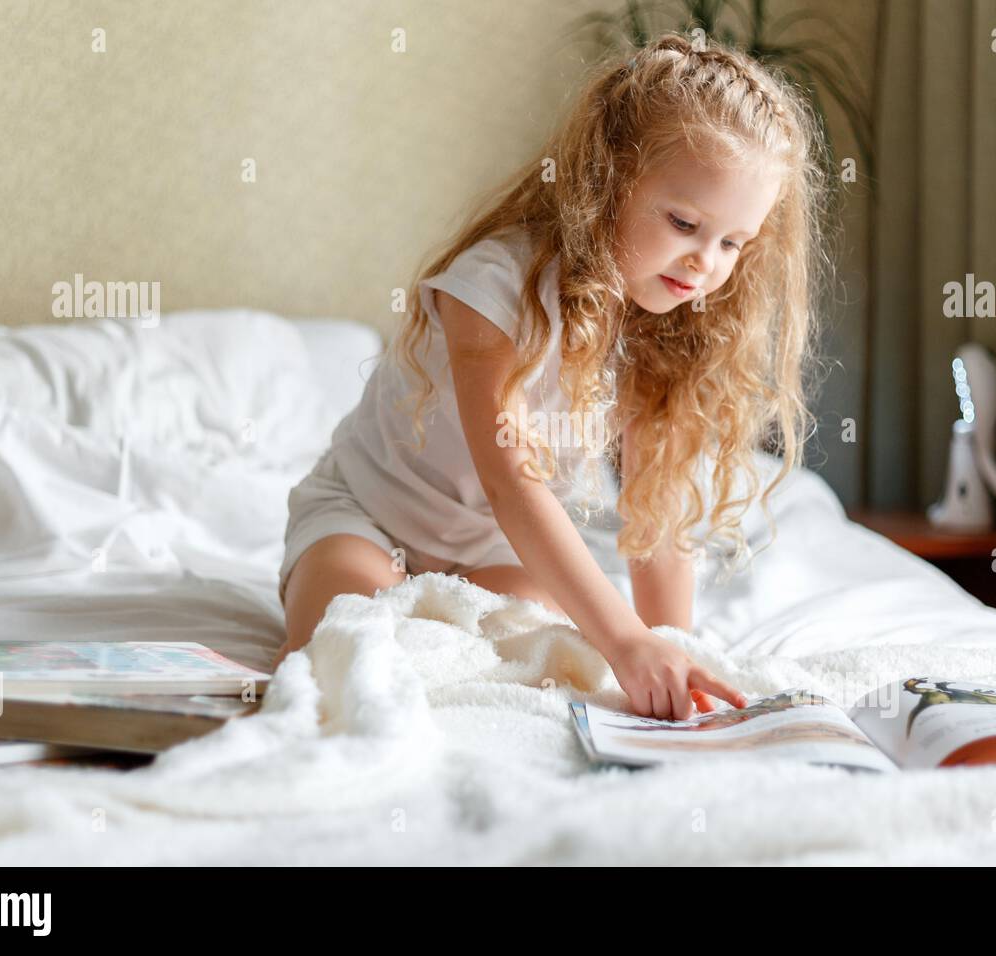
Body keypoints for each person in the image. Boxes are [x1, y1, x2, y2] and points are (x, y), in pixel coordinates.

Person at [275, 31, 832, 721]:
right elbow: (510, 480)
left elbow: (654, 512)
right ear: (611, 178)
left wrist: (667, 646)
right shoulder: (493, 284)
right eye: (685, 222)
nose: (705, 264)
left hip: (489, 554)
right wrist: (625, 638)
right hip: (366, 518)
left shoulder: (660, 328)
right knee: (337, 651)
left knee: (530, 664)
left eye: (731, 243)